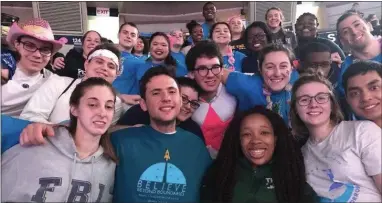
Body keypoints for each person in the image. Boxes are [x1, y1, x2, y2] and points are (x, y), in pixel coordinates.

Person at [2, 77, 117, 202]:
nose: (102, 113)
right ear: (74, 109)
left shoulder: (110, 165)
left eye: (109, 106)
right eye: (92, 105)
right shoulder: (33, 145)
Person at [111, 66, 211, 202]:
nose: (166, 98)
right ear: (143, 104)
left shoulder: (197, 146)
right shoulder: (120, 141)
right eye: (156, 93)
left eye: (172, 91)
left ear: (180, 100)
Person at [290, 72, 382, 202]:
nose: (313, 104)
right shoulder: (301, 155)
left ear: (332, 104)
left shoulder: (362, 131)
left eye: (321, 98)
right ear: (295, 109)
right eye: (304, 100)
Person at [200, 106, 318, 203]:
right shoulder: (220, 174)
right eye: (247, 134)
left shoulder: (291, 174)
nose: (256, 140)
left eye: (264, 132)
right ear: (238, 140)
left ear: (275, 138)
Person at [19, 43, 127, 125]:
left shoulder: (115, 104)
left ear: (116, 74)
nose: (104, 68)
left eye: (111, 66)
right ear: (86, 64)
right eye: (99, 62)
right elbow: (30, 117)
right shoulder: (58, 83)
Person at [2, 18, 65, 117]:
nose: (38, 55)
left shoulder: (53, 82)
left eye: (45, 49)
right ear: (17, 45)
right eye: (30, 45)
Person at [222, 43, 299, 124]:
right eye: (270, 67)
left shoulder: (298, 83)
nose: (277, 73)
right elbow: (218, 72)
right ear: (259, 67)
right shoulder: (248, 85)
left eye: (283, 66)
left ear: (292, 68)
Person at [186, 40, 237, 157]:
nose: (210, 75)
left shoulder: (235, 89)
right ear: (191, 74)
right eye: (202, 69)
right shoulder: (182, 95)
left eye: (215, 67)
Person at [117, 76, 204, 141]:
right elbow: (110, 131)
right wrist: (132, 129)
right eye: (183, 98)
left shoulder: (193, 131)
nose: (188, 107)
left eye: (193, 103)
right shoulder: (141, 111)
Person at [335, 11, 381, 119]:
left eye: (357, 25)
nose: (354, 32)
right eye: (346, 31)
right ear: (342, 41)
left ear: (369, 25)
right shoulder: (344, 71)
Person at [343, 60, 382, 127]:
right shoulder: (346, 133)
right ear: (347, 99)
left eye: (374, 88)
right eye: (355, 93)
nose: (365, 98)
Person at [112, 22, 143, 105]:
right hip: (103, 102)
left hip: (127, 108)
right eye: (125, 33)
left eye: (133, 35)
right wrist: (120, 96)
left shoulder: (141, 63)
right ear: (118, 35)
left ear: (136, 39)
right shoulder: (105, 57)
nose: (128, 36)